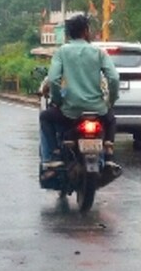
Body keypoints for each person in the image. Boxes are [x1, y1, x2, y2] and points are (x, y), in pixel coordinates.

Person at [40, 13, 119, 165]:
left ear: (69, 34)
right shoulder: (99, 53)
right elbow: (114, 78)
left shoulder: (62, 52)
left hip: (69, 111)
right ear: (86, 31)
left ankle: (53, 155)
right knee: (111, 118)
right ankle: (108, 152)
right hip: (97, 110)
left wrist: (58, 101)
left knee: (45, 117)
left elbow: (54, 80)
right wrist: (110, 102)